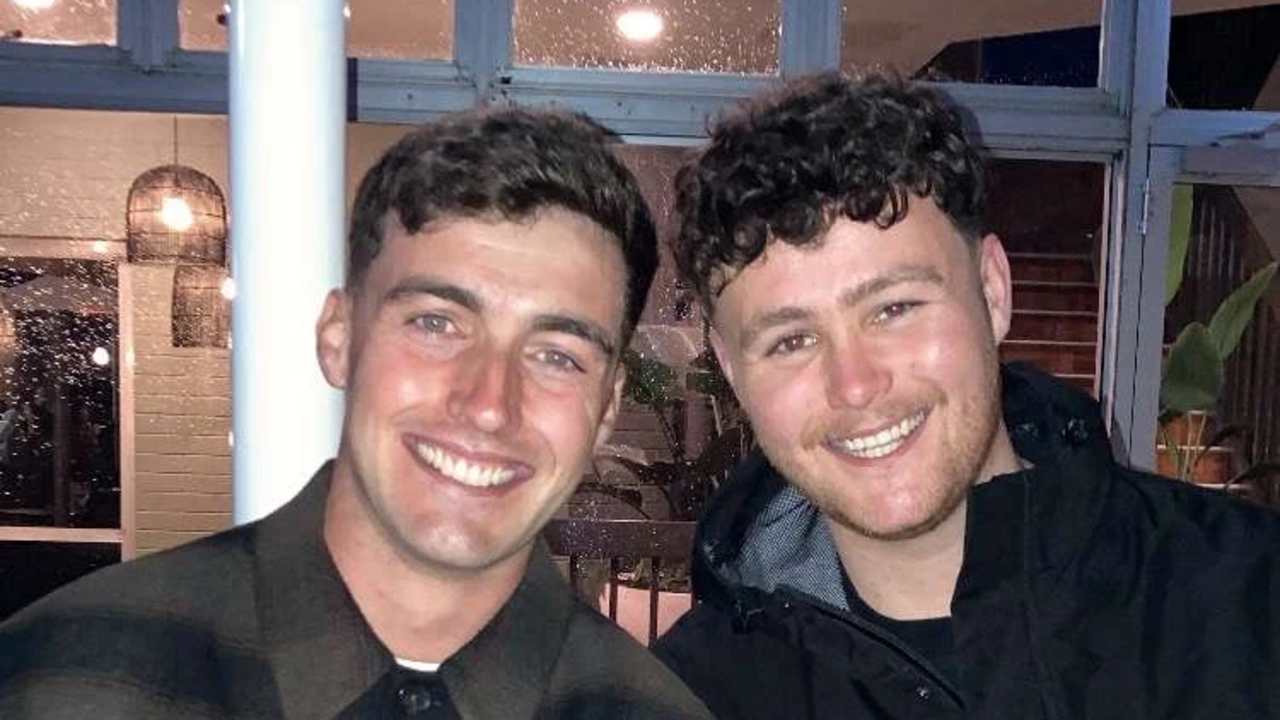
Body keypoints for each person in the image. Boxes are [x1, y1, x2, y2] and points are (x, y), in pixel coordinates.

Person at [0, 107, 712, 720]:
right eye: (436, 323)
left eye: (557, 355)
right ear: (339, 338)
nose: (490, 405)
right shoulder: (62, 680)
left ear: (608, 405)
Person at [652, 70, 1280, 719]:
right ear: (732, 368)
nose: (856, 385)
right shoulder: (690, 699)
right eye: (791, 341)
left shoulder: (1249, 607)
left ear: (993, 290)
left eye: (894, 308)